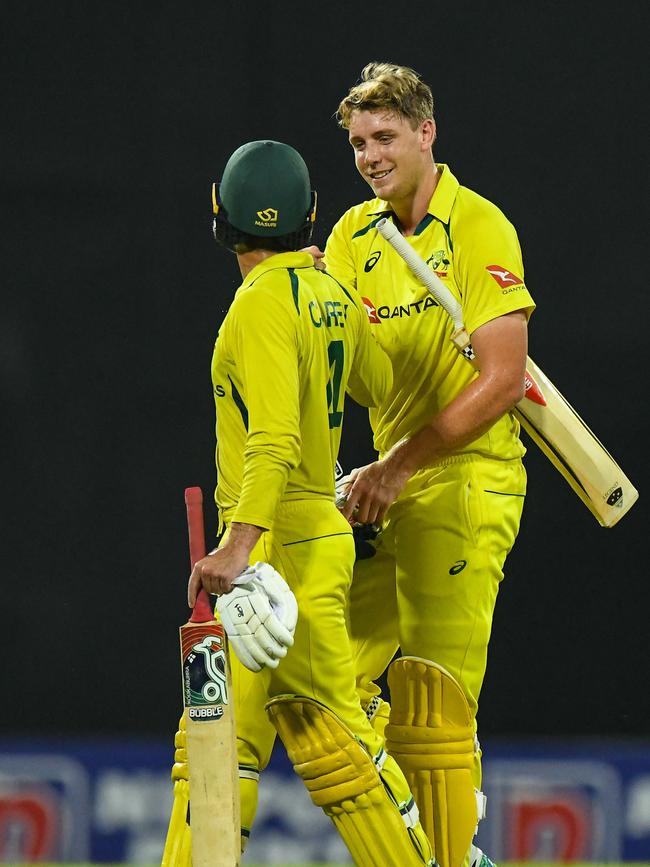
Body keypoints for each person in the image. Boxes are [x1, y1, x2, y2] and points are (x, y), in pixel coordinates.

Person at [163, 139, 436, 866]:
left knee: (341, 749)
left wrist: (237, 546)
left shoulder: (257, 305)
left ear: (221, 219)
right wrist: (343, 298)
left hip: (274, 547)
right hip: (305, 538)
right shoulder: (324, 292)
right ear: (311, 216)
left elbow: (274, 440)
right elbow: (378, 380)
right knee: (215, 745)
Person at [324, 62, 536, 867]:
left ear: (426, 133)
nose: (370, 156)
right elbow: (339, 366)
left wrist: (400, 463)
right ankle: (425, 843)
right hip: (388, 483)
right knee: (322, 678)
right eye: (356, 143)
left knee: (432, 703)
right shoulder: (353, 236)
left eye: (384, 137)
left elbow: (505, 380)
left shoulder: (479, 226)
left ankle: (450, 853)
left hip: (468, 478)